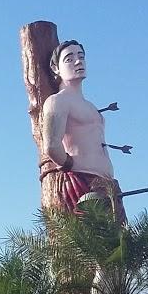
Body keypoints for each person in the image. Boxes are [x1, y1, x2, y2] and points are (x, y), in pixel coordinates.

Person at [40, 40, 125, 221]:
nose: (78, 62)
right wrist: (71, 166)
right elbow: (52, 146)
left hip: (108, 184)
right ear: (56, 68)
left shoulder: (91, 106)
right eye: (69, 59)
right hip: (82, 183)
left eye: (81, 56)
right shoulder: (58, 101)